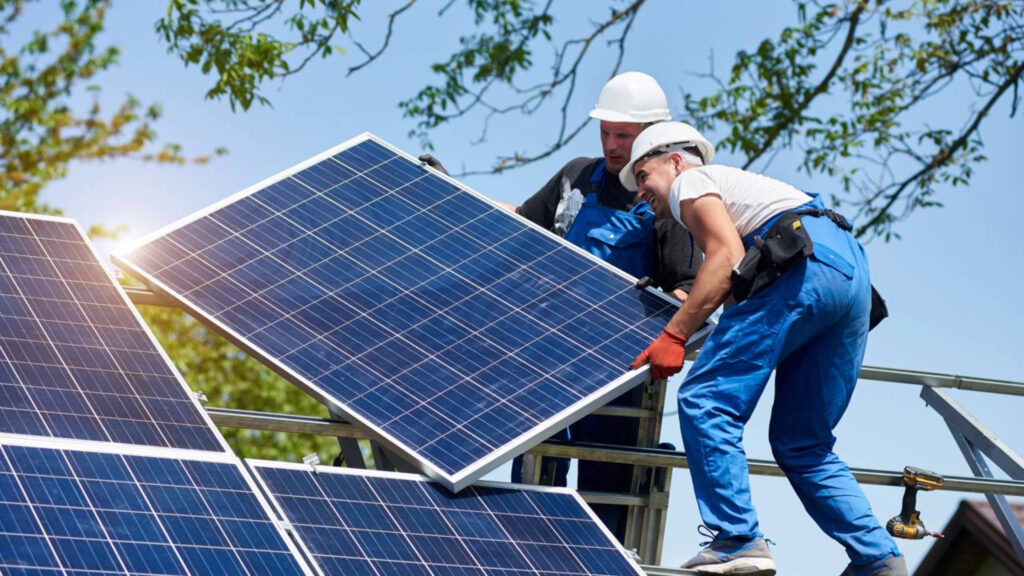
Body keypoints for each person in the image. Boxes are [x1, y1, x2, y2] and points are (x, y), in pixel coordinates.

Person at [422, 72, 703, 542]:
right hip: (547, 360)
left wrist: (649, 317)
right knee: (533, 483)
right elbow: (521, 225)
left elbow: (689, 289)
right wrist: (457, 197)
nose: (613, 146)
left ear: (653, 137)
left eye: (624, 136)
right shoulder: (576, 176)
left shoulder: (665, 201)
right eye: (606, 132)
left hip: (619, 380)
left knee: (605, 499)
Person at [620, 122, 905, 576]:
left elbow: (725, 256)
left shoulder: (690, 183)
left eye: (642, 176)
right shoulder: (742, 196)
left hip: (801, 266)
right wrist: (692, 311)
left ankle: (737, 538)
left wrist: (673, 334)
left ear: (675, 161)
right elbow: (736, 289)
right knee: (803, 442)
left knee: (705, 399)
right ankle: (878, 558)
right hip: (848, 274)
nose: (640, 193)